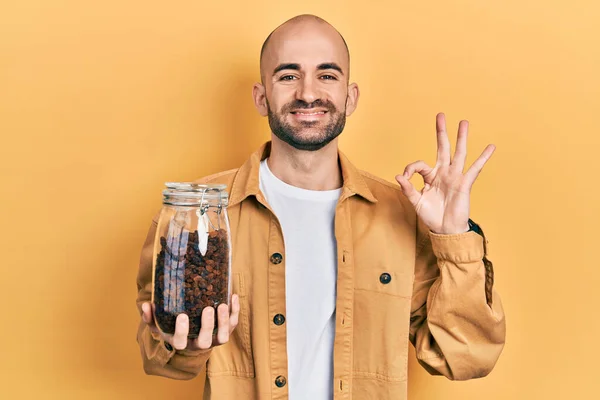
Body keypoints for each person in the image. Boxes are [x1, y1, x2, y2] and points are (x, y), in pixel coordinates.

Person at [136, 14, 506, 400]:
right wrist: (185, 347)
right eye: (288, 75)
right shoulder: (197, 210)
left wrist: (454, 237)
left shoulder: (401, 215)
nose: (308, 93)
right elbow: (158, 353)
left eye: (327, 75)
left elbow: (465, 356)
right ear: (262, 98)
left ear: (351, 96)